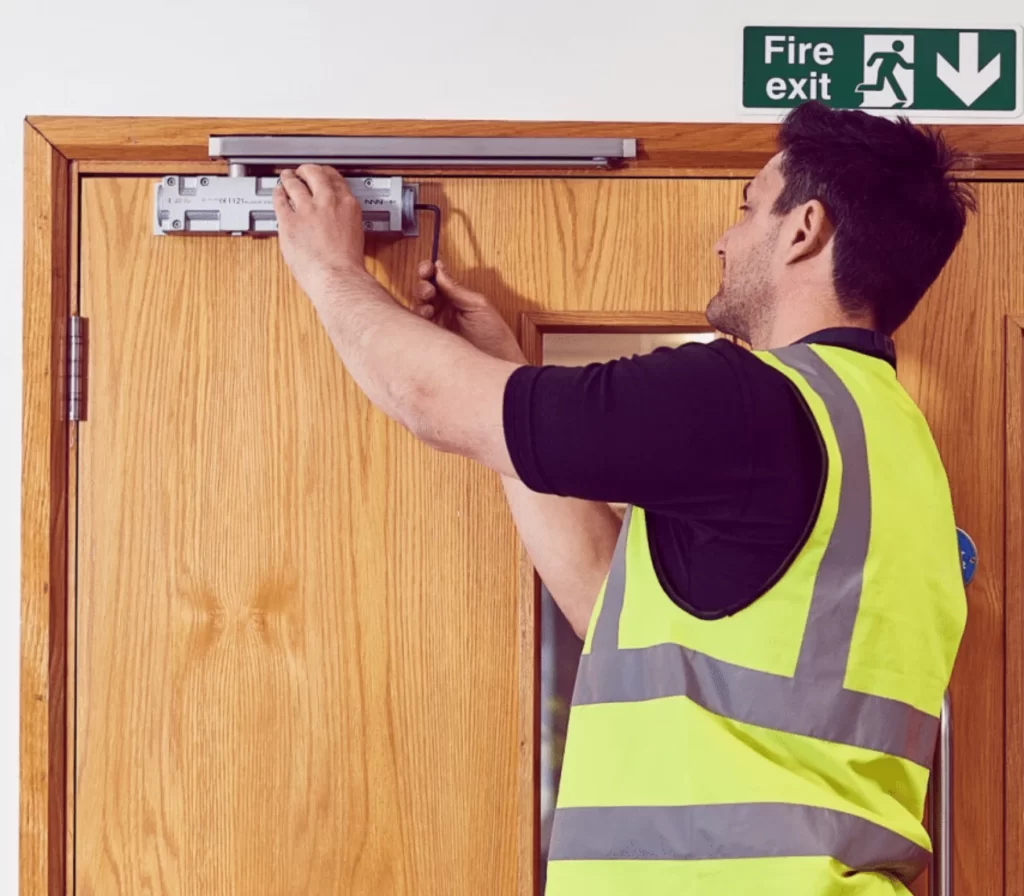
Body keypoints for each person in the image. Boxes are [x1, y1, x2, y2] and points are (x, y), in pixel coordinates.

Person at [271, 100, 972, 894]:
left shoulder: (745, 402)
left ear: (804, 229)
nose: (724, 239)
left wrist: (328, 268)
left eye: (747, 209)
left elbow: (431, 401)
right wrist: (506, 379)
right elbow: (613, 603)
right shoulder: (892, 445)